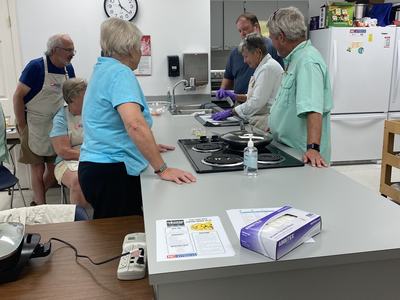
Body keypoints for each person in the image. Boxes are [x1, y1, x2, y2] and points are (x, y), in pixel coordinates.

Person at [78, 18, 196, 219]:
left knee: (114, 233)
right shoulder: (120, 73)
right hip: (112, 172)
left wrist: (146, 146)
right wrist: (162, 169)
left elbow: (110, 125)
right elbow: (134, 125)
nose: (141, 53)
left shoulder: (103, 68)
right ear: (129, 49)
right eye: (139, 47)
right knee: (121, 238)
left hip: (96, 168)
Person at [13, 34, 76, 205]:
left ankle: (36, 200)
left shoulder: (68, 69)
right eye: (69, 50)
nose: (72, 54)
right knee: (37, 168)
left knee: (54, 168)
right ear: (55, 50)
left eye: (73, 50)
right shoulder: (36, 67)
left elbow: (72, 96)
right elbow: (18, 96)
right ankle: (40, 207)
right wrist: (21, 124)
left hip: (57, 125)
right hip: (34, 124)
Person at [267, 7, 333, 167]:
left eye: (272, 38)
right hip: (286, 149)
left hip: (302, 155)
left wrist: (313, 148)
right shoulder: (294, 59)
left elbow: (313, 107)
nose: (272, 44)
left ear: (281, 37)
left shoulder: (307, 61)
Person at [211, 33, 283, 132]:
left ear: (257, 53)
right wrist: (235, 96)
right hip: (260, 118)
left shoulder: (268, 68)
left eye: (246, 56)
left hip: (266, 120)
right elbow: (255, 96)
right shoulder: (262, 67)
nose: (244, 61)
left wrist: (231, 111)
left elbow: (256, 102)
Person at [216, 12, 284, 102]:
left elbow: (281, 78)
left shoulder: (272, 48)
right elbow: (228, 78)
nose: (242, 33)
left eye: (245, 29)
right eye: (239, 31)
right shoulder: (235, 53)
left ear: (256, 27)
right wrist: (223, 90)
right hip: (242, 102)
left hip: (263, 104)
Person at [50, 78, 89, 209]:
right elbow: (63, 151)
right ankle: (81, 223)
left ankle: (106, 218)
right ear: (72, 98)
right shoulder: (61, 118)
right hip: (67, 161)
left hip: (94, 156)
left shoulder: (92, 112)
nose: (89, 97)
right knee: (77, 180)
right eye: (84, 94)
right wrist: (89, 155)